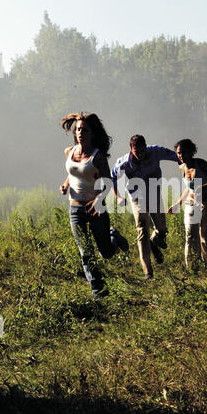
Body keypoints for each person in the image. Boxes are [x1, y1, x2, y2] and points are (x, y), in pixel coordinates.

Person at [60, 112, 129, 297]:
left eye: (84, 130)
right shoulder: (69, 151)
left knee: (106, 252)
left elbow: (107, 181)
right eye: (78, 129)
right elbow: (73, 172)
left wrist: (99, 199)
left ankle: (113, 236)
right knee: (85, 250)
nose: (80, 132)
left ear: (92, 133)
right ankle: (99, 290)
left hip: (96, 207)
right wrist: (66, 185)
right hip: (75, 207)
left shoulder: (98, 157)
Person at [111, 134, 179, 279]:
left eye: (143, 151)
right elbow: (112, 178)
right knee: (142, 229)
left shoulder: (154, 152)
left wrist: (186, 166)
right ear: (131, 150)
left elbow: (176, 156)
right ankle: (148, 271)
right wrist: (117, 197)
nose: (141, 155)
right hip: (137, 197)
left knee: (162, 230)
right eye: (137, 152)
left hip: (154, 194)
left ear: (146, 147)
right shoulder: (123, 163)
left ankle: (153, 242)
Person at [168, 139, 207, 270]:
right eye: (178, 153)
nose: (181, 156)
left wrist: (203, 187)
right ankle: (191, 267)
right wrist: (178, 203)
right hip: (191, 203)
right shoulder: (181, 167)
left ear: (191, 152)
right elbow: (189, 188)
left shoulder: (201, 164)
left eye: (183, 153)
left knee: (205, 237)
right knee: (190, 235)